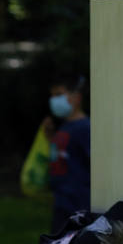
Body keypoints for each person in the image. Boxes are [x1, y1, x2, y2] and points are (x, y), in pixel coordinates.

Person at [44, 74, 91, 232]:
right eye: (52, 95)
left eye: (58, 95)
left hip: (78, 205)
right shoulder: (65, 127)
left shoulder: (85, 128)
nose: (53, 100)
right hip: (62, 202)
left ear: (76, 97)